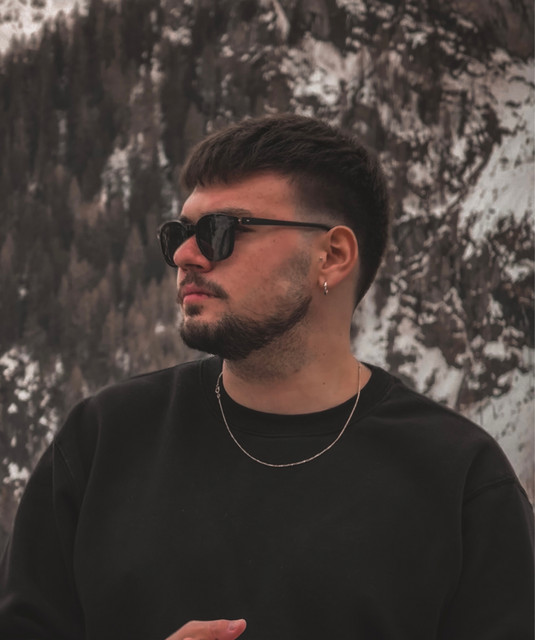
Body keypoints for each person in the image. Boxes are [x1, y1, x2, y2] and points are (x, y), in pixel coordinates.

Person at [0, 114, 532, 640]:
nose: (185, 256)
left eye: (222, 231)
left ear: (332, 255)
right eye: (179, 233)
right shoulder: (101, 442)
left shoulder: (459, 479)